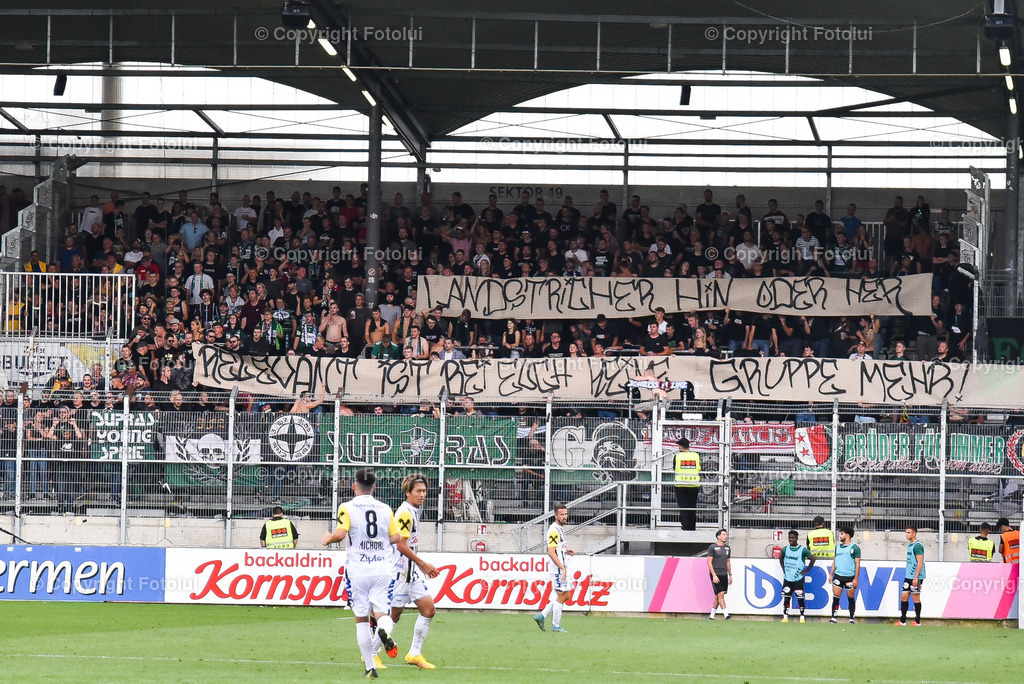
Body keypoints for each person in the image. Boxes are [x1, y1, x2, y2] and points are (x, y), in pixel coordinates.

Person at [321, 469, 401, 679]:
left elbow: (340, 534)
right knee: (382, 613)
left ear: (354, 486)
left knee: (361, 619)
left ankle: (369, 667)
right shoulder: (385, 508)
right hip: (382, 568)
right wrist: (380, 540)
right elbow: (396, 537)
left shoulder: (347, 507)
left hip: (358, 570)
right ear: (374, 487)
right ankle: (384, 631)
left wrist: (328, 539)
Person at [386, 473, 440, 670]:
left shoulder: (414, 511)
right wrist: (422, 563)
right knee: (394, 615)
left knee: (428, 609)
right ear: (408, 492)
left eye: (424, 491)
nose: (422, 494)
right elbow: (400, 544)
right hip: (400, 572)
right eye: (418, 491)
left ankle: (414, 653)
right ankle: (371, 654)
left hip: (411, 571)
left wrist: (418, 565)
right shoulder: (405, 513)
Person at [533, 503, 574, 633]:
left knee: (565, 595)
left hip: (561, 566)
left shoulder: (559, 529)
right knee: (562, 595)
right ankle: (555, 625)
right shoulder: (553, 530)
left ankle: (542, 615)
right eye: (561, 514)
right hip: (557, 568)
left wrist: (565, 550)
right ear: (556, 515)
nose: (564, 517)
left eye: (566, 514)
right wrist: (561, 568)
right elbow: (551, 551)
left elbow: (556, 547)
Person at [779, 529, 814, 623]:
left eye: (793, 538)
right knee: (787, 597)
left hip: (798, 578)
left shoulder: (802, 550)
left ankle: (802, 617)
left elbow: (812, 558)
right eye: (790, 538)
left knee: (800, 598)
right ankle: (785, 616)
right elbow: (780, 558)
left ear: (797, 538)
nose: (791, 540)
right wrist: (783, 569)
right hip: (788, 578)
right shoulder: (785, 549)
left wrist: (806, 570)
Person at [829, 526, 861, 624]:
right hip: (838, 575)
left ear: (847, 535)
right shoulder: (837, 548)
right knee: (836, 596)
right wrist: (831, 574)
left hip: (850, 577)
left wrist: (855, 578)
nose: (840, 535)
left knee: (850, 597)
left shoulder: (855, 548)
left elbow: (857, 564)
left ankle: (851, 618)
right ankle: (834, 617)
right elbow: (835, 562)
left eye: (841, 534)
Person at [897, 525, 925, 626]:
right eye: (906, 532)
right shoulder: (910, 545)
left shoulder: (917, 546)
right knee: (904, 597)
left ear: (914, 533)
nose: (906, 534)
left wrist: (916, 577)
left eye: (909, 532)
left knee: (915, 598)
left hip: (915, 577)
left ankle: (917, 621)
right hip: (908, 576)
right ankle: (902, 620)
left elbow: (920, 562)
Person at [673, 437, 701, 531]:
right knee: (692, 507)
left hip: (680, 485)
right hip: (693, 484)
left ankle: (685, 526)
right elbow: (699, 467)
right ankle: (692, 527)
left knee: (683, 507)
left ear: (681, 446)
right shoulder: (696, 455)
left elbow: (674, 468)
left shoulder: (678, 456)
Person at [707, 529, 732, 619]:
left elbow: (728, 562)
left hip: (724, 574)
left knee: (718, 595)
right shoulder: (712, 548)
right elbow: (709, 562)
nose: (725, 536)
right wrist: (714, 575)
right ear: (718, 536)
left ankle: (712, 615)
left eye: (726, 534)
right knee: (720, 594)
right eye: (723, 534)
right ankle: (726, 615)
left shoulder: (727, 548)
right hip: (716, 574)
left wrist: (730, 575)